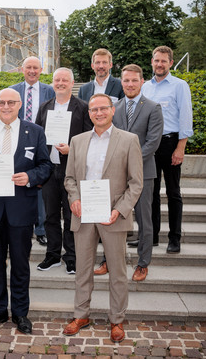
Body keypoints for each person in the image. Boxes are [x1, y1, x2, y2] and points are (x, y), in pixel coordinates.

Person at [0, 88, 53, 335]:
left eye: (10, 102)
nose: (5, 106)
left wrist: (29, 176)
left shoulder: (35, 132)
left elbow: (45, 165)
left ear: (19, 105)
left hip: (21, 210)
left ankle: (20, 313)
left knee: (20, 264)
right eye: (1, 102)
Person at [62, 94, 143, 343]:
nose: (98, 113)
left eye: (103, 108)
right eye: (94, 109)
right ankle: (81, 314)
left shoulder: (129, 140)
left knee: (117, 271)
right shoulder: (77, 141)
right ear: (89, 113)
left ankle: (117, 320)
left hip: (113, 215)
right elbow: (69, 179)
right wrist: (74, 198)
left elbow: (136, 183)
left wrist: (120, 209)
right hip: (83, 214)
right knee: (83, 269)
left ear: (113, 110)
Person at [94, 64, 163, 282]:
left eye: (134, 80)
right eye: (126, 81)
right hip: (117, 174)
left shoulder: (153, 107)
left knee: (144, 220)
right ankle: (108, 259)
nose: (130, 84)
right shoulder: (115, 107)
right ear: (121, 82)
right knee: (111, 216)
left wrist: (129, 162)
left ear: (142, 81)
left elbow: (153, 142)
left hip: (143, 172)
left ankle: (143, 264)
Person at [34, 68, 92, 274]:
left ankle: (72, 256)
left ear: (72, 82)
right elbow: (37, 138)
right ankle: (52, 255)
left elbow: (88, 137)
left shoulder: (83, 107)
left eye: (64, 80)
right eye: (57, 80)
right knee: (50, 215)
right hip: (50, 169)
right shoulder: (44, 107)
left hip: (71, 170)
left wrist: (72, 149)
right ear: (52, 82)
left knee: (70, 215)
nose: (60, 83)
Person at [141, 46, 193, 254]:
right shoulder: (145, 87)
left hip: (171, 144)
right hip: (150, 145)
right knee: (150, 194)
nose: (159, 64)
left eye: (164, 61)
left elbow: (185, 118)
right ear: (151, 62)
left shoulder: (180, 86)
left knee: (173, 193)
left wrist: (180, 147)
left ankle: (174, 238)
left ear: (171, 63)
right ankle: (151, 237)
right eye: (156, 60)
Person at [9, 56, 55, 246]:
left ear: (41, 70)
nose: (32, 71)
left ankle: (41, 229)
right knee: (20, 185)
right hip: (18, 144)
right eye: (29, 67)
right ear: (22, 69)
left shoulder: (50, 90)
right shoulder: (13, 91)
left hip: (43, 142)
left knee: (39, 187)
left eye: (36, 68)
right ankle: (21, 226)